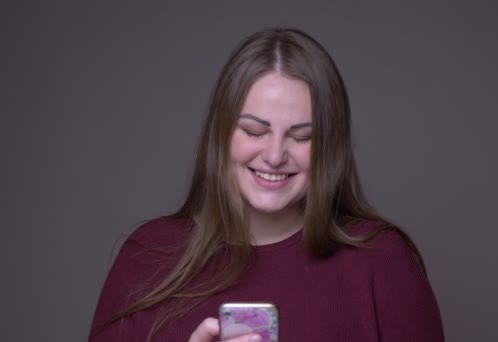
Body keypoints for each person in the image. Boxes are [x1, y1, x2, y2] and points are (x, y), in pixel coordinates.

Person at [89, 28, 444, 341]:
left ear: (330, 147)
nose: (275, 156)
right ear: (221, 135)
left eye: (302, 137)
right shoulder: (146, 258)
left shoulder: (382, 263)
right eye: (254, 131)